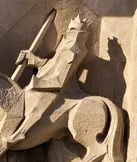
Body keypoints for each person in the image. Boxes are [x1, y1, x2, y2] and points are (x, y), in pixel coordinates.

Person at [7, 16, 89, 144]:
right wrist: (33, 59)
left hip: (54, 90)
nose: (70, 32)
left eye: (73, 30)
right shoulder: (66, 44)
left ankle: (21, 132)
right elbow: (51, 65)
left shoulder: (74, 49)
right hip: (44, 83)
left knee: (39, 106)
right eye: (70, 29)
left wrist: (38, 83)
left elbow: (61, 80)